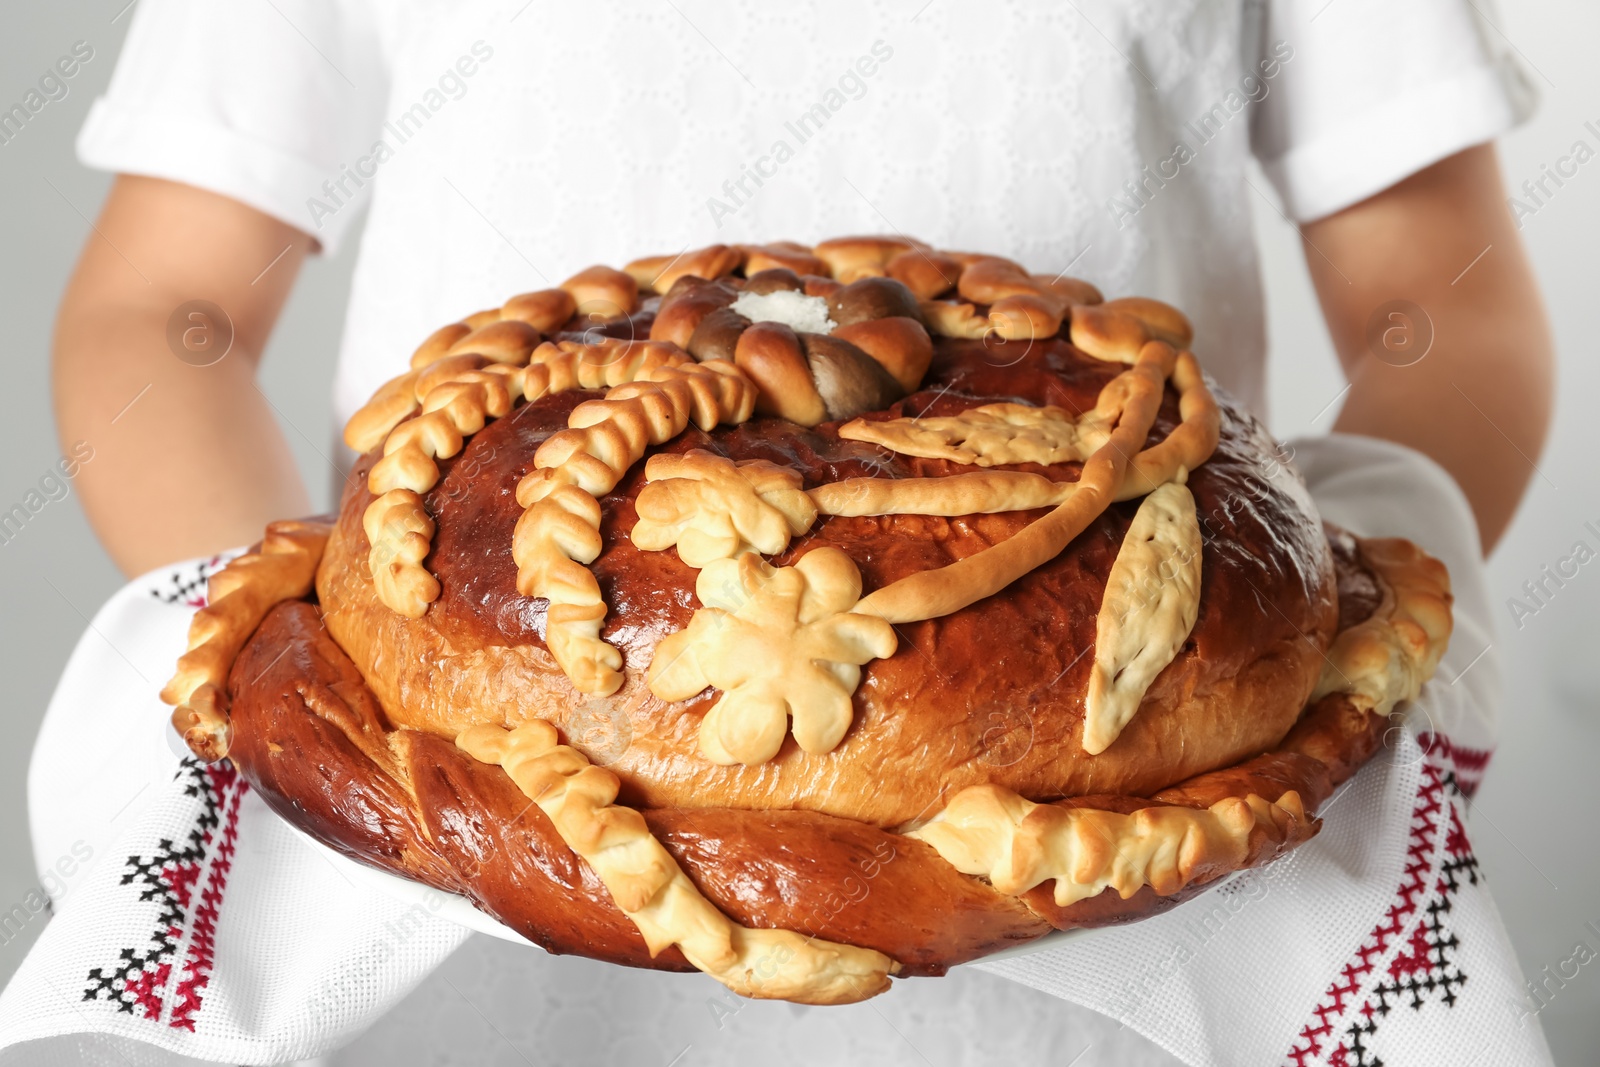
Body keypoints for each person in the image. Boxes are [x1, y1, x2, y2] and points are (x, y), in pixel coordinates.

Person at [50, 1, 1553, 1064]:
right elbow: (164, 309)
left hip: (1152, 945)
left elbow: (1443, 297)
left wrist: (1305, 629)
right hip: (449, 960)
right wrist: (302, 674)